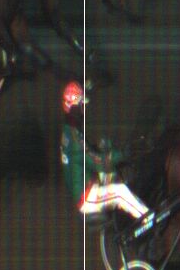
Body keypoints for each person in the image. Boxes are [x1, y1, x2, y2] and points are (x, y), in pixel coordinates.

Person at [58, 80, 149, 222]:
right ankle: (149, 219)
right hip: (87, 197)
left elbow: (87, 155)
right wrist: (123, 154)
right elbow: (99, 162)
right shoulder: (75, 140)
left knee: (113, 169)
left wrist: (104, 148)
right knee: (120, 192)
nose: (84, 109)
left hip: (86, 184)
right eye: (82, 105)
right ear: (74, 107)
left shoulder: (69, 131)